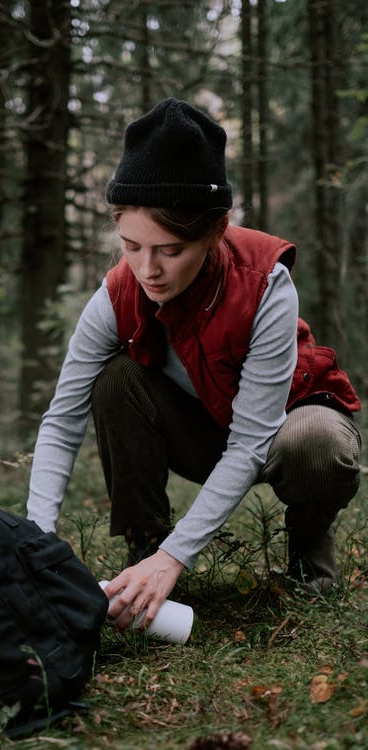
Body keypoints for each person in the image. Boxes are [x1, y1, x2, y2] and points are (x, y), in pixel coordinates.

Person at [27, 97, 362, 632]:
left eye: (171, 249)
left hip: (282, 432)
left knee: (317, 444)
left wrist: (180, 556)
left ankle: (307, 549)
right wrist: (36, 541)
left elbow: (253, 440)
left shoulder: (265, 282)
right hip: (201, 432)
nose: (147, 270)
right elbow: (62, 420)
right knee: (115, 380)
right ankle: (146, 550)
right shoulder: (117, 292)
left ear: (214, 231)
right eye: (132, 246)